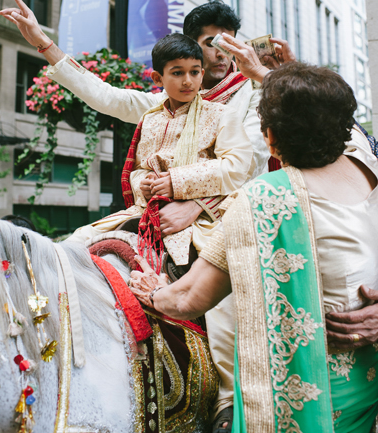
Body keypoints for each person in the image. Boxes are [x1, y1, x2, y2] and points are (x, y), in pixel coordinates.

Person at [0, 0, 281, 430]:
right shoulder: (155, 106)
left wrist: (190, 200)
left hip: (220, 212)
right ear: (184, 55)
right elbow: (101, 93)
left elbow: (248, 165)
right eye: (211, 43)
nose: (222, 52)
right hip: (149, 215)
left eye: (229, 41)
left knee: (225, 292)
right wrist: (42, 42)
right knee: (73, 249)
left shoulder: (247, 96)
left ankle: (229, 400)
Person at [128, 62, 378, 432]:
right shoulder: (367, 170)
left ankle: (224, 404)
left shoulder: (264, 197)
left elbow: (190, 299)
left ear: (270, 137)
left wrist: (155, 293)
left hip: (317, 402)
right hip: (368, 392)